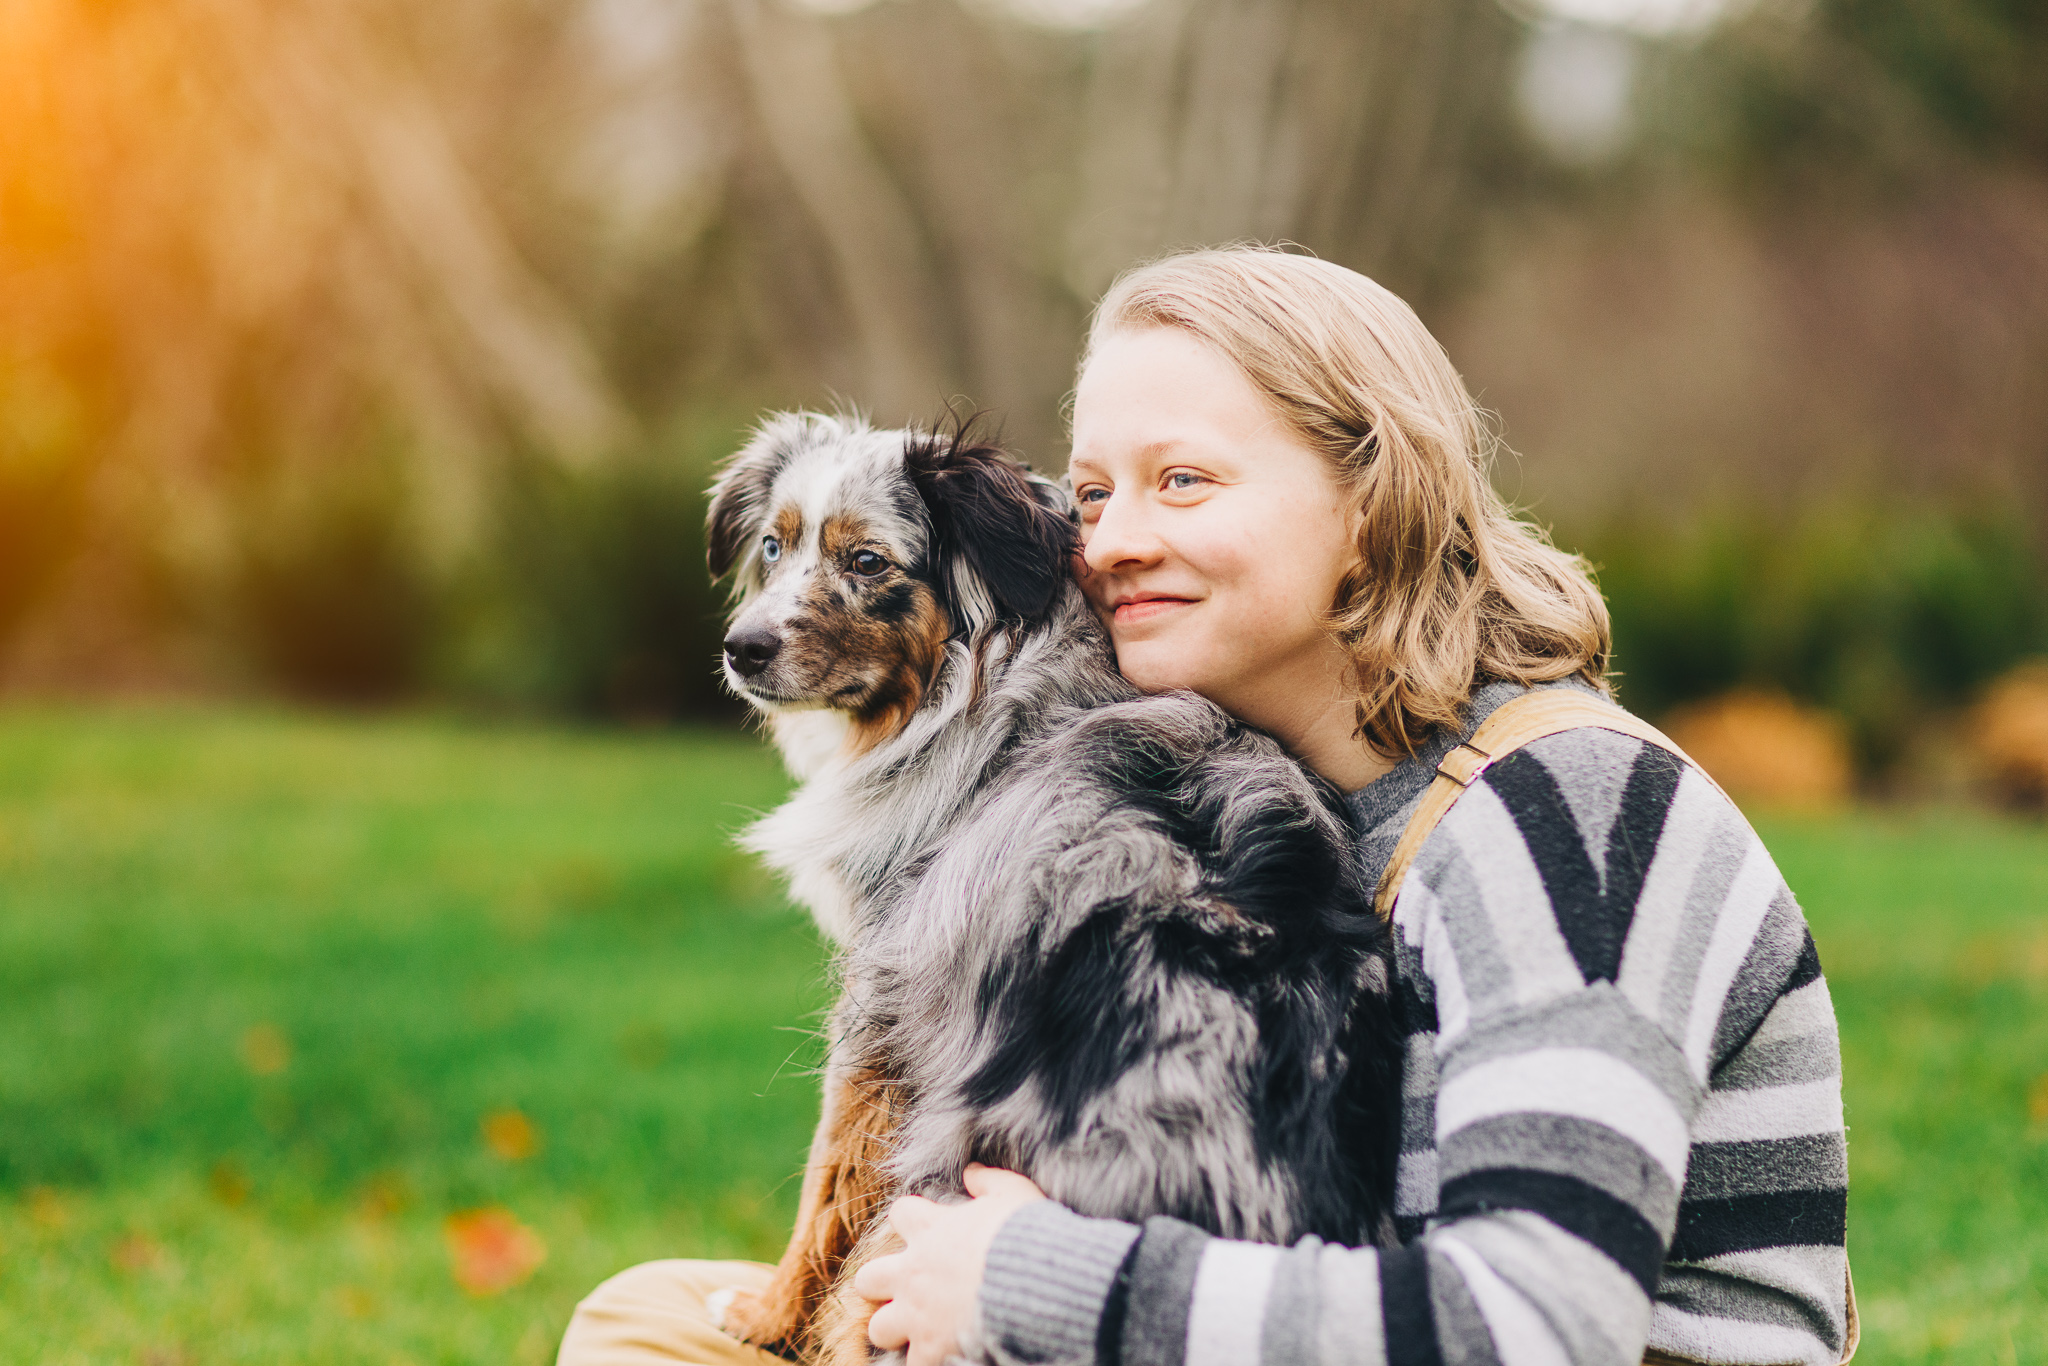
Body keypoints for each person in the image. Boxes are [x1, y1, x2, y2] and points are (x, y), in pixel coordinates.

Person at [558, 248, 1852, 1366]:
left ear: (1370, 495)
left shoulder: (1567, 811)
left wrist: (1030, 1277)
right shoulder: (1292, 782)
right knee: (654, 1317)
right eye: (1096, 487)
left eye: (1182, 481)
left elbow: (1533, 1323)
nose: (1102, 540)